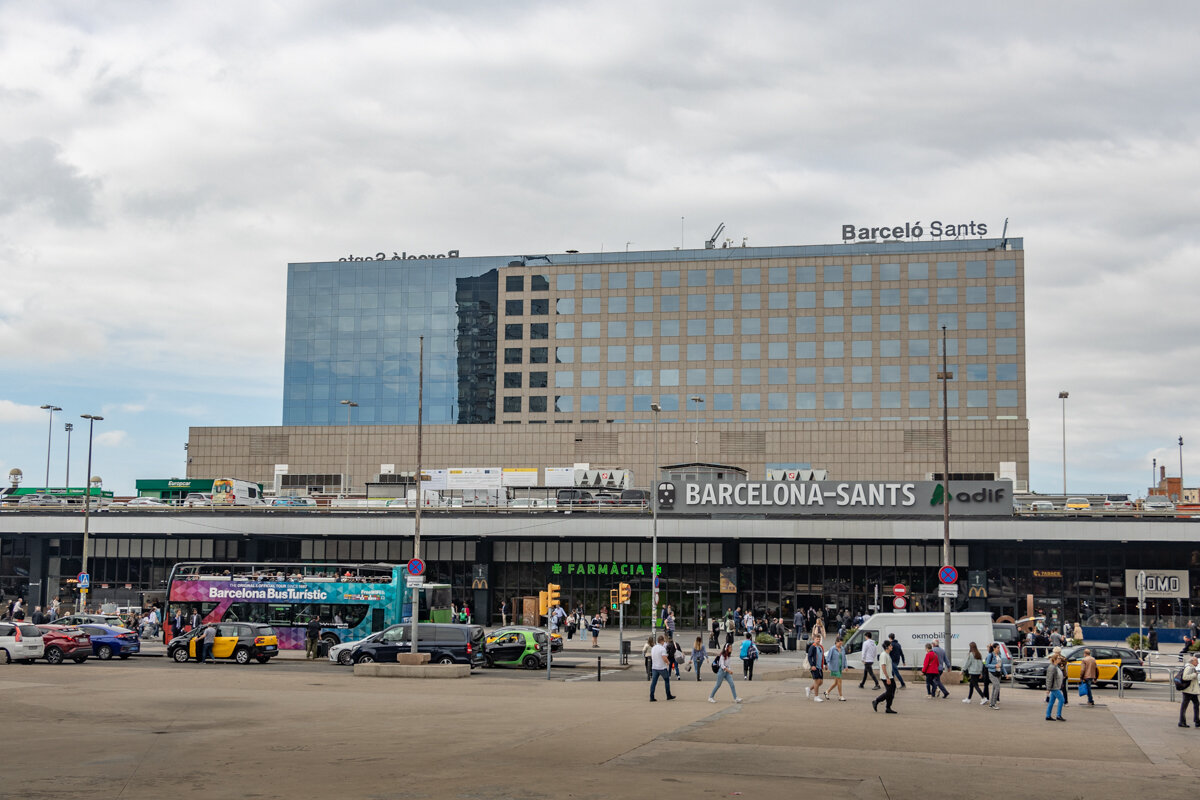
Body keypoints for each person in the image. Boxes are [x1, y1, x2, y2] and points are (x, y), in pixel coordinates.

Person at [872, 640, 898, 713]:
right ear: (887, 647)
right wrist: (887, 678)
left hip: (890, 676)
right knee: (889, 692)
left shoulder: (887, 654)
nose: (891, 646)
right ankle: (876, 701)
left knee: (892, 691)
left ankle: (888, 707)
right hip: (885, 677)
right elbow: (883, 666)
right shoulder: (883, 655)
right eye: (890, 645)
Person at [649, 634, 676, 702]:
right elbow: (664, 658)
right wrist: (668, 662)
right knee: (666, 681)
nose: (664, 642)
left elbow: (652, 656)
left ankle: (651, 696)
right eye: (663, 641)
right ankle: (668, 695)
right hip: (662, 668)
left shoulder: (653, 648)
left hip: (654, 667)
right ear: (661, 641)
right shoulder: (662, 649)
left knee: (654, 682)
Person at [1179, 654, 1200, 728]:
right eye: (1196, 661)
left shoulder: (1191, 667)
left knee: (1196, 704)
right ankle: (1182, 722)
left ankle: (1197, 721)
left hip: (1192, 690)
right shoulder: (1189, 668)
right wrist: (1194, 675)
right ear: (1192, 661)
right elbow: (1185, 677)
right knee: (1184, 706)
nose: (1197, 663)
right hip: (1188, 690)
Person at [1045, 654, 1066, 721]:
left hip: (1056, 686)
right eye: (1058, 658)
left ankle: (1048, 715)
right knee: (1062, 700)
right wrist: (1048, 689)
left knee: (1051, 701)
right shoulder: (1052, 667)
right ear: (1054, 660)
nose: (1060, 660)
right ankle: (1058, 715)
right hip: (1054, 687)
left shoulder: (1056, 666)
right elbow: (1049, 679)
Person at [806, 635, 826, 702]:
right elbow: (809, 657)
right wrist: (812, 665)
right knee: (817, 682)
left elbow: (823, 656)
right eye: (817, 639)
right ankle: (816, 697)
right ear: (814, 639)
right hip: (814, 667)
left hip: (820, 667)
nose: (818, 640)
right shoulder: (812, 647)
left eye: (819, 639)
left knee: (820, 682)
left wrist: (825, 664)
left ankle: (809, 689)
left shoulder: (821, 647)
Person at [984, 643, 1003, 709]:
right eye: (998, 648)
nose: (999, 649)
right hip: (992, 673)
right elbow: (986, 664)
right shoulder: (990, 655)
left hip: (998, 673)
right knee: (997, 687)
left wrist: (1005, 673)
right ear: (994, 648)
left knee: (995, 688)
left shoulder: (999, 655)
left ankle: (991, 704)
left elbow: (1001, 665)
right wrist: (994, 666)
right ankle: (993, 704)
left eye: (999, 648)